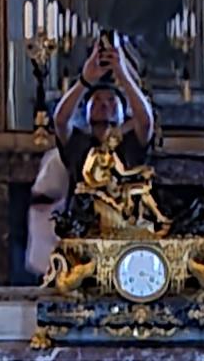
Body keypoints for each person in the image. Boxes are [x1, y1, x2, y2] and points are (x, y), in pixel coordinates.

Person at [23, 33, 157, 280]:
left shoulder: (130, 145)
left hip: (122, 234)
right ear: (85, 110)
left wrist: (122, 73)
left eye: (111, 101)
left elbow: (146, 121)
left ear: (122, 111)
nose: (104, 105)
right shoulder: (79, 144)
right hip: (81, 234)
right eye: (97, 100)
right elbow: (60, 120)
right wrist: (85, 80)